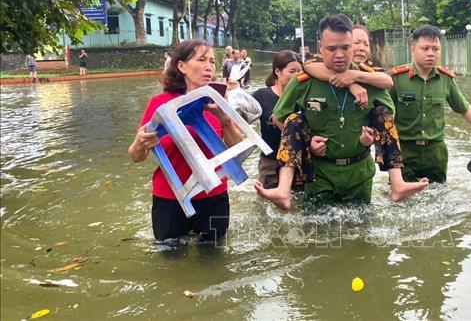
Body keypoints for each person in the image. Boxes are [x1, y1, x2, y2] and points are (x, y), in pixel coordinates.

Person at [254, 14, 428, 211]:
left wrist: (370, 136)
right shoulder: (305, 81)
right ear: (321, 48)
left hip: (359, 175)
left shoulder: (369, 81)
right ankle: (283, 190)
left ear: (352, 46)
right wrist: (308, 141)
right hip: (320, 176)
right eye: (332, 48)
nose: (339, 54)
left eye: (345, 47)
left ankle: (397, 182)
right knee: (317, 234)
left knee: (362, 233)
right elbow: (280, 117)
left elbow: (389, 116)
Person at [128, 39, 243, 244]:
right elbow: (136, 157)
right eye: (201, 60)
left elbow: (237, 150)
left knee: (213, 258)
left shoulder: (217, 102)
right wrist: (139, 143)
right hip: (170, 198)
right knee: (170, 259)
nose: (209, 67)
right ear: (181, 66)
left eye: (212, 61)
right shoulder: (160, 103)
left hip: (214, 196)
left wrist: (223, 118)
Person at [389, 24, 471, 184]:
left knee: (438, 196)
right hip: (404, 150)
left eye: (435, 49)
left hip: (435, 152)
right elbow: (385, 116)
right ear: (413, 49)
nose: (430, 53)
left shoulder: (446, 79)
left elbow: (464, 107)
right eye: (425, 48)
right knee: (403, 200)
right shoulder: (397, 79)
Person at [251, 50, 303, 188]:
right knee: (268, 205)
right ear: (277, 71)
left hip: (297, 162)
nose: (297, 76)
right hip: (270, 163)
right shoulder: (261, 95)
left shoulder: (303, 98)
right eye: (292, 71)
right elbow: (241, 117)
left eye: (300, 71)